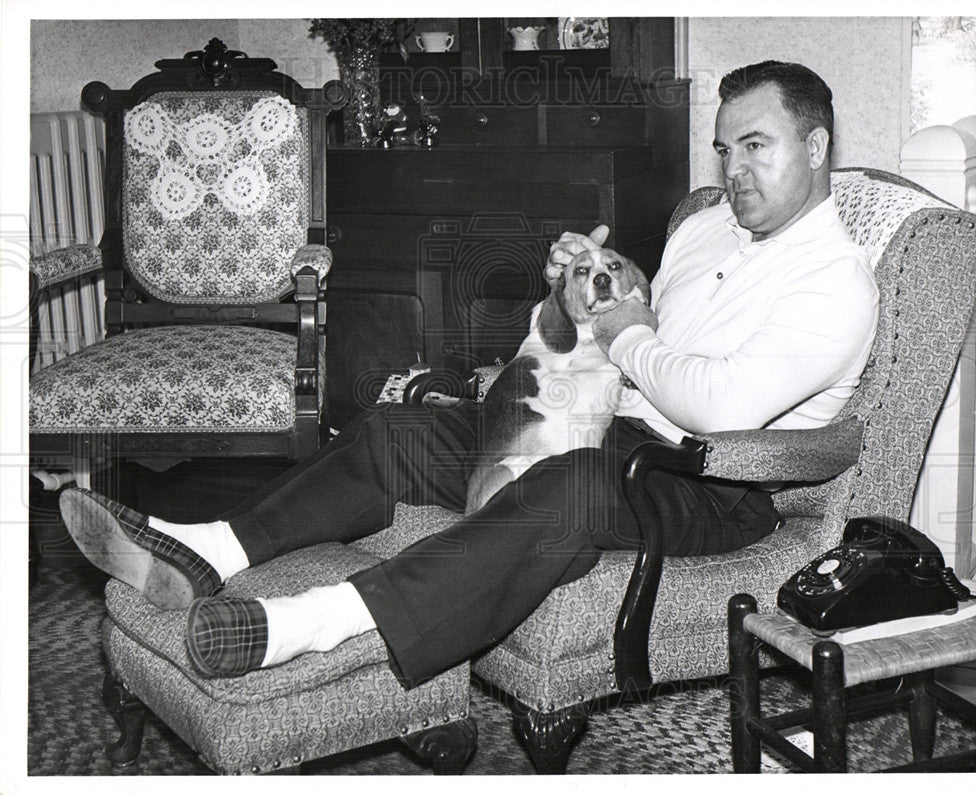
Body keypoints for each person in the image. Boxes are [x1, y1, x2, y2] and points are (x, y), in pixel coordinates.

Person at [60, 61, 879, 688]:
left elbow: (719, 405)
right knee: (399, 432)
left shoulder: (836, 280)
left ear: (815, 147)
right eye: (725, 148)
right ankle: (208, 548)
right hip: (611, 427)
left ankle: (302, 625)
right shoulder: (707, 228)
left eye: (757, 147)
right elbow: (647, 329)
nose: (734, 169)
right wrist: (590, 280)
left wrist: (620, 327)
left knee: (573, 487)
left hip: (714, 486)